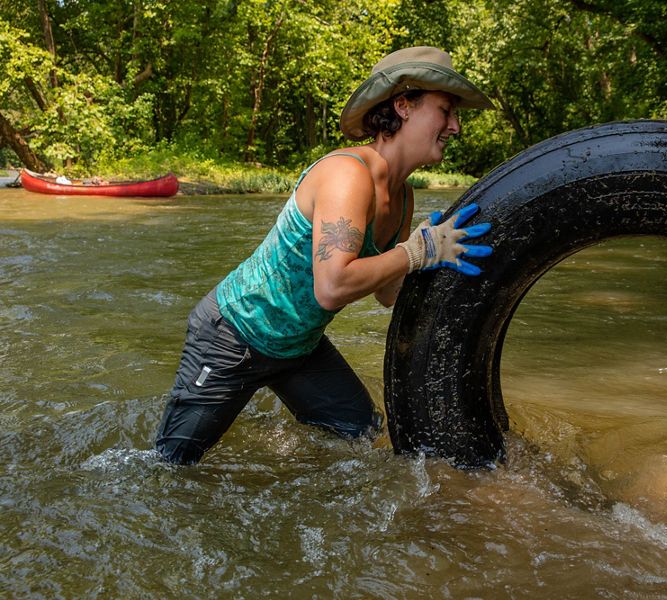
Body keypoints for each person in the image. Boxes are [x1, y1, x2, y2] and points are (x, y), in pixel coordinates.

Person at [155, 46, 495, 464]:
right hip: (233, 334)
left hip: (299, 346)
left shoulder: (403, 195)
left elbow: (387, 294)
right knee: (173, 467)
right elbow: (332, 287)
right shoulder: (347, 174)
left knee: (362, 436)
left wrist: (436, 255)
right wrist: (417, 251)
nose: (456, 126)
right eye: (446, 110)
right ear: (404, 106)